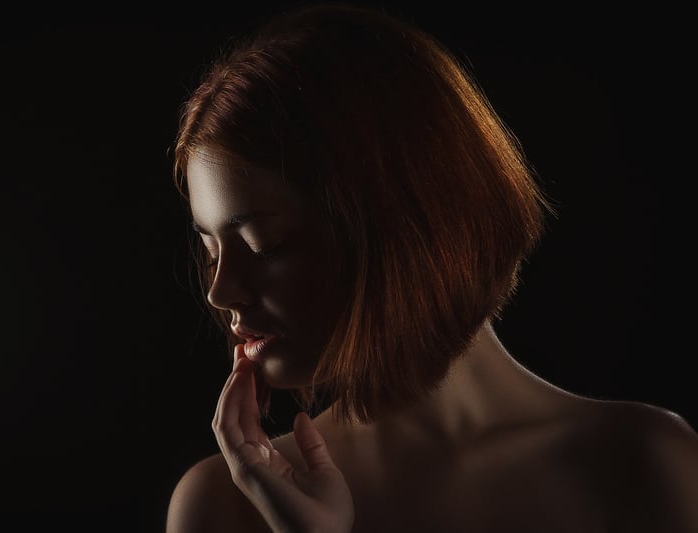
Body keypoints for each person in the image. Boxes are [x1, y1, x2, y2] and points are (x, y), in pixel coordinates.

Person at [164, 3, 698, 532]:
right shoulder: (226, 507)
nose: (220, 291)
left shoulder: (645, 467)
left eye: (263, 244)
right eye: (211, 251)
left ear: (404, 227)